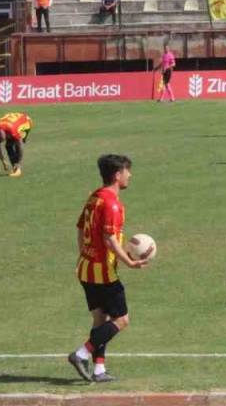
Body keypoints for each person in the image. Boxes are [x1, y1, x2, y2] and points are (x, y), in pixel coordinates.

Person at [67, 154, 151, 384]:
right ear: (117, 175)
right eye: (127, 171)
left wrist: (84, 254)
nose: (130, 175)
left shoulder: (94, 197)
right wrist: (130, 262)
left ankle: (98, 370)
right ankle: (81, 354)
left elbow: (80, 228)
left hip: (85, 268)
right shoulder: (112, 204)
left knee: (100, 319)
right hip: (103, 272)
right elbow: (109, 239)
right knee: (122, 320)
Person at [0, 111, 32, 177]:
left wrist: (19, 163)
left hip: (26, 122)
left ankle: (18, 169)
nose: (5, 139)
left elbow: (20, 146)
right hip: (11, 123)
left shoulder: (12, 129)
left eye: (4, 139)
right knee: (8, 145)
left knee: (17, 145)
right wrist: (3, 161)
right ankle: (14, 167)